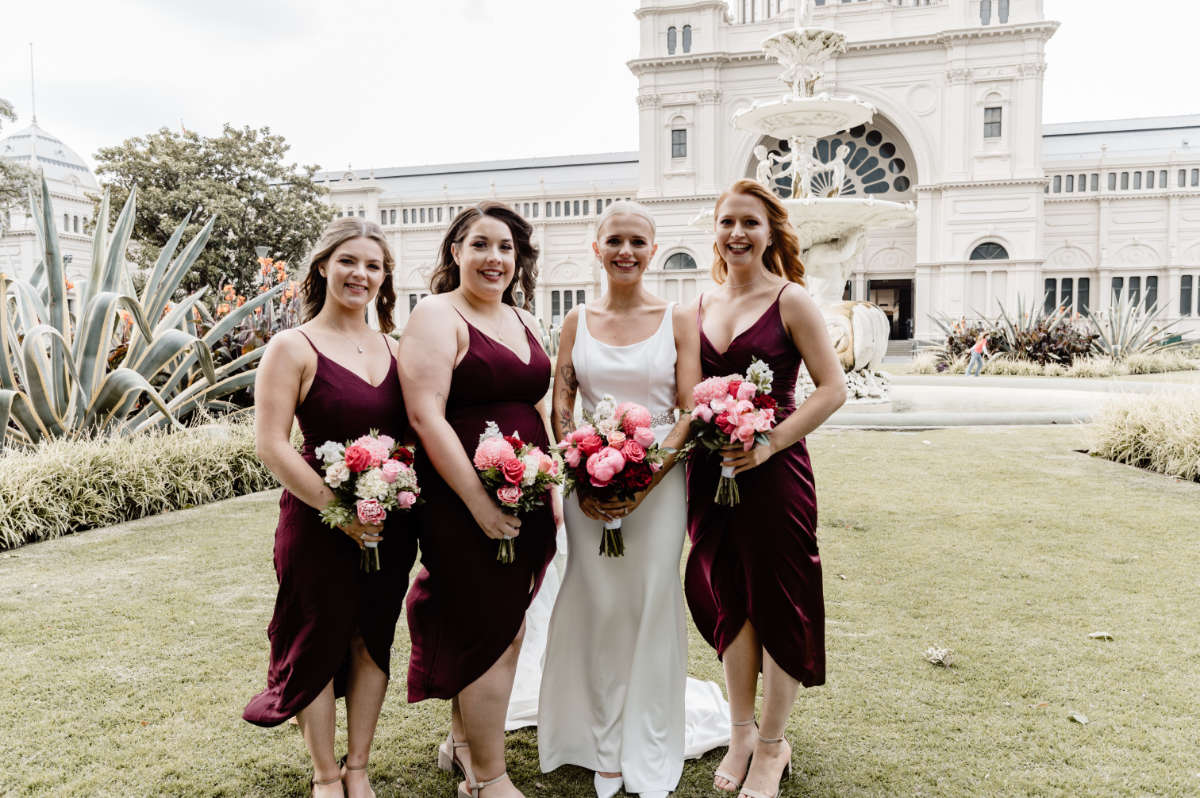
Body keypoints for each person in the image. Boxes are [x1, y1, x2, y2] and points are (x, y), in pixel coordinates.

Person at [537, 201, 729, 798]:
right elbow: (561, 401)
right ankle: (600, 740)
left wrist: (645, 475)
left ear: (652, 250)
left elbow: (690, 404)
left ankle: (647, 735)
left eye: (637, 242)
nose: (626, 251)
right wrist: (581, 468)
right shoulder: (575, 320)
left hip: (661, 486)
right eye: (614, 240)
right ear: (598, 248)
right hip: (586, 485)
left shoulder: (677, 318)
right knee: (598, 604)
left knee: (648, 599)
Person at [683, 179, 846, 798]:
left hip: (775, 474)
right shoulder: (697, 307)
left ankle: (774, 745)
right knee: (729, 597)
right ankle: (741, 731)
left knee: (780, 600)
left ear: (771, 231)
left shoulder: (792, 300)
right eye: (727, 222)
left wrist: (770, 440)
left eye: (750, 222)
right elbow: (687, 398)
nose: (737, 233)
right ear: (716, 232)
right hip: (710, 475)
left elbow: (832, 389)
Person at [244, 217, 410, 798]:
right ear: (322, 267)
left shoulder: (397, 346)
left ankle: (358, 767)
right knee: (317, 642)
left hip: (390, 525)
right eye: (348, 261)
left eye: (372, 265)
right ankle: (324, 776)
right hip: (316, 526)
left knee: (372, 637)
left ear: (384, 277)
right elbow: (271, 444)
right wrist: (340, 515)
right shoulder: (291, 347)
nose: (360, 274)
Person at [399, 203, 559, 798]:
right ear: (455, 253)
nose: (495, 259)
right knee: (492, 631)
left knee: (499, 624)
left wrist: (554, 493)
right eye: (481, 245)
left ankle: (462, 748)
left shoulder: (520, 318)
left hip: (527, 495)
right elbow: (424, 414)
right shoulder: (437, 315)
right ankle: (488, 779)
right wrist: (479, 503)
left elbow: (537, 406)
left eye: (507, 248)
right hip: (462, 502)